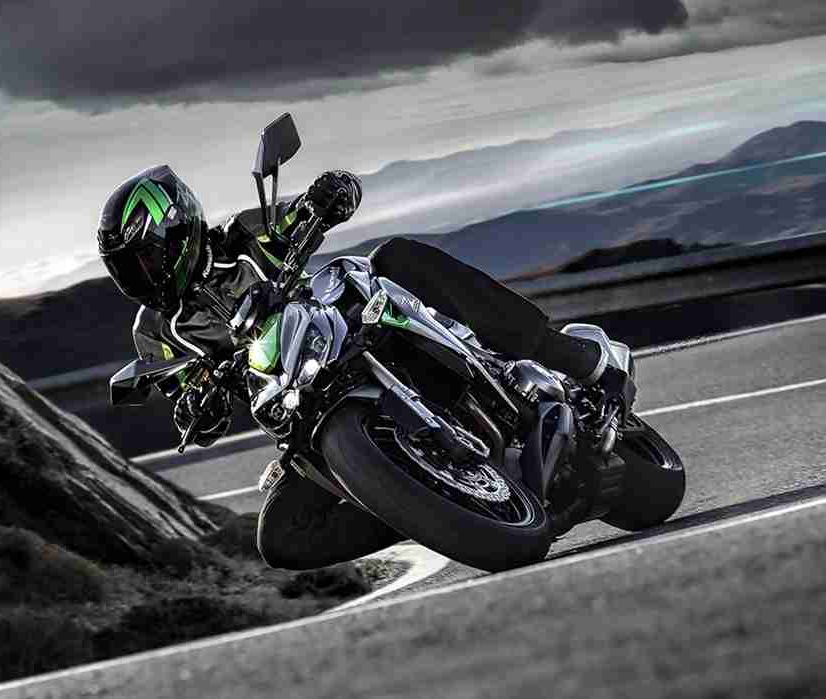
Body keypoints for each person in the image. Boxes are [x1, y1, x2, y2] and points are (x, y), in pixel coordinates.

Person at [97, 165, 630, 570]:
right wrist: (196, 408)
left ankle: (573, 358)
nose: (140, 275)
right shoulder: (154, 333)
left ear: (179, 232)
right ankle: (431, 505)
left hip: (343, 333)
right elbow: (187, 395)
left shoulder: (243, 238)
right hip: (293, 406)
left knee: (395, 258)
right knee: (281, 538)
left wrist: (327, 195)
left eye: (145, 258)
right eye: (126, 269)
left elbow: (300, 215)